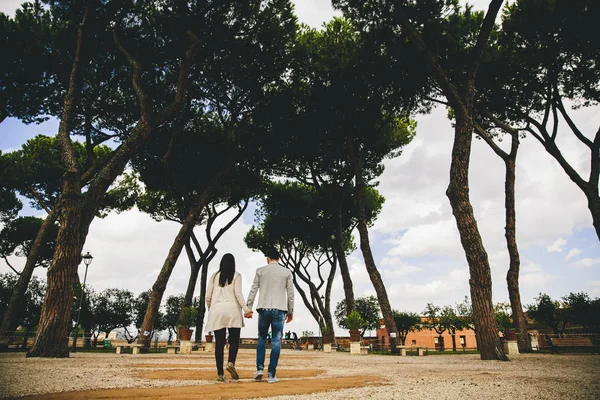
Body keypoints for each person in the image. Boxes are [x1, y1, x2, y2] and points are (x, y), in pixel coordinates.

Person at [245, 248, 294, 384]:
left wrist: (248, 307)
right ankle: (271, 374)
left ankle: (259, 369)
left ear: (267, 258)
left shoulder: (260, 271)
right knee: (276, 340)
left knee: (261, 338)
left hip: (264, 308)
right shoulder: (286, 272)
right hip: (279, 309)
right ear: (279, 258)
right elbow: (290, 293)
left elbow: (253, 289)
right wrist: (290, 311)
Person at [205, 253, 252, 382]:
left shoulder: (214, 276)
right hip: (233, 311)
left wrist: (211, 309)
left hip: (217, 310)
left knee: (219, 343)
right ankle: (231, 363)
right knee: (234, 340)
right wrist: (246, 309)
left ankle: (220, 373)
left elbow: (208, 295)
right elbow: (238, 294)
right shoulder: (237, 276)